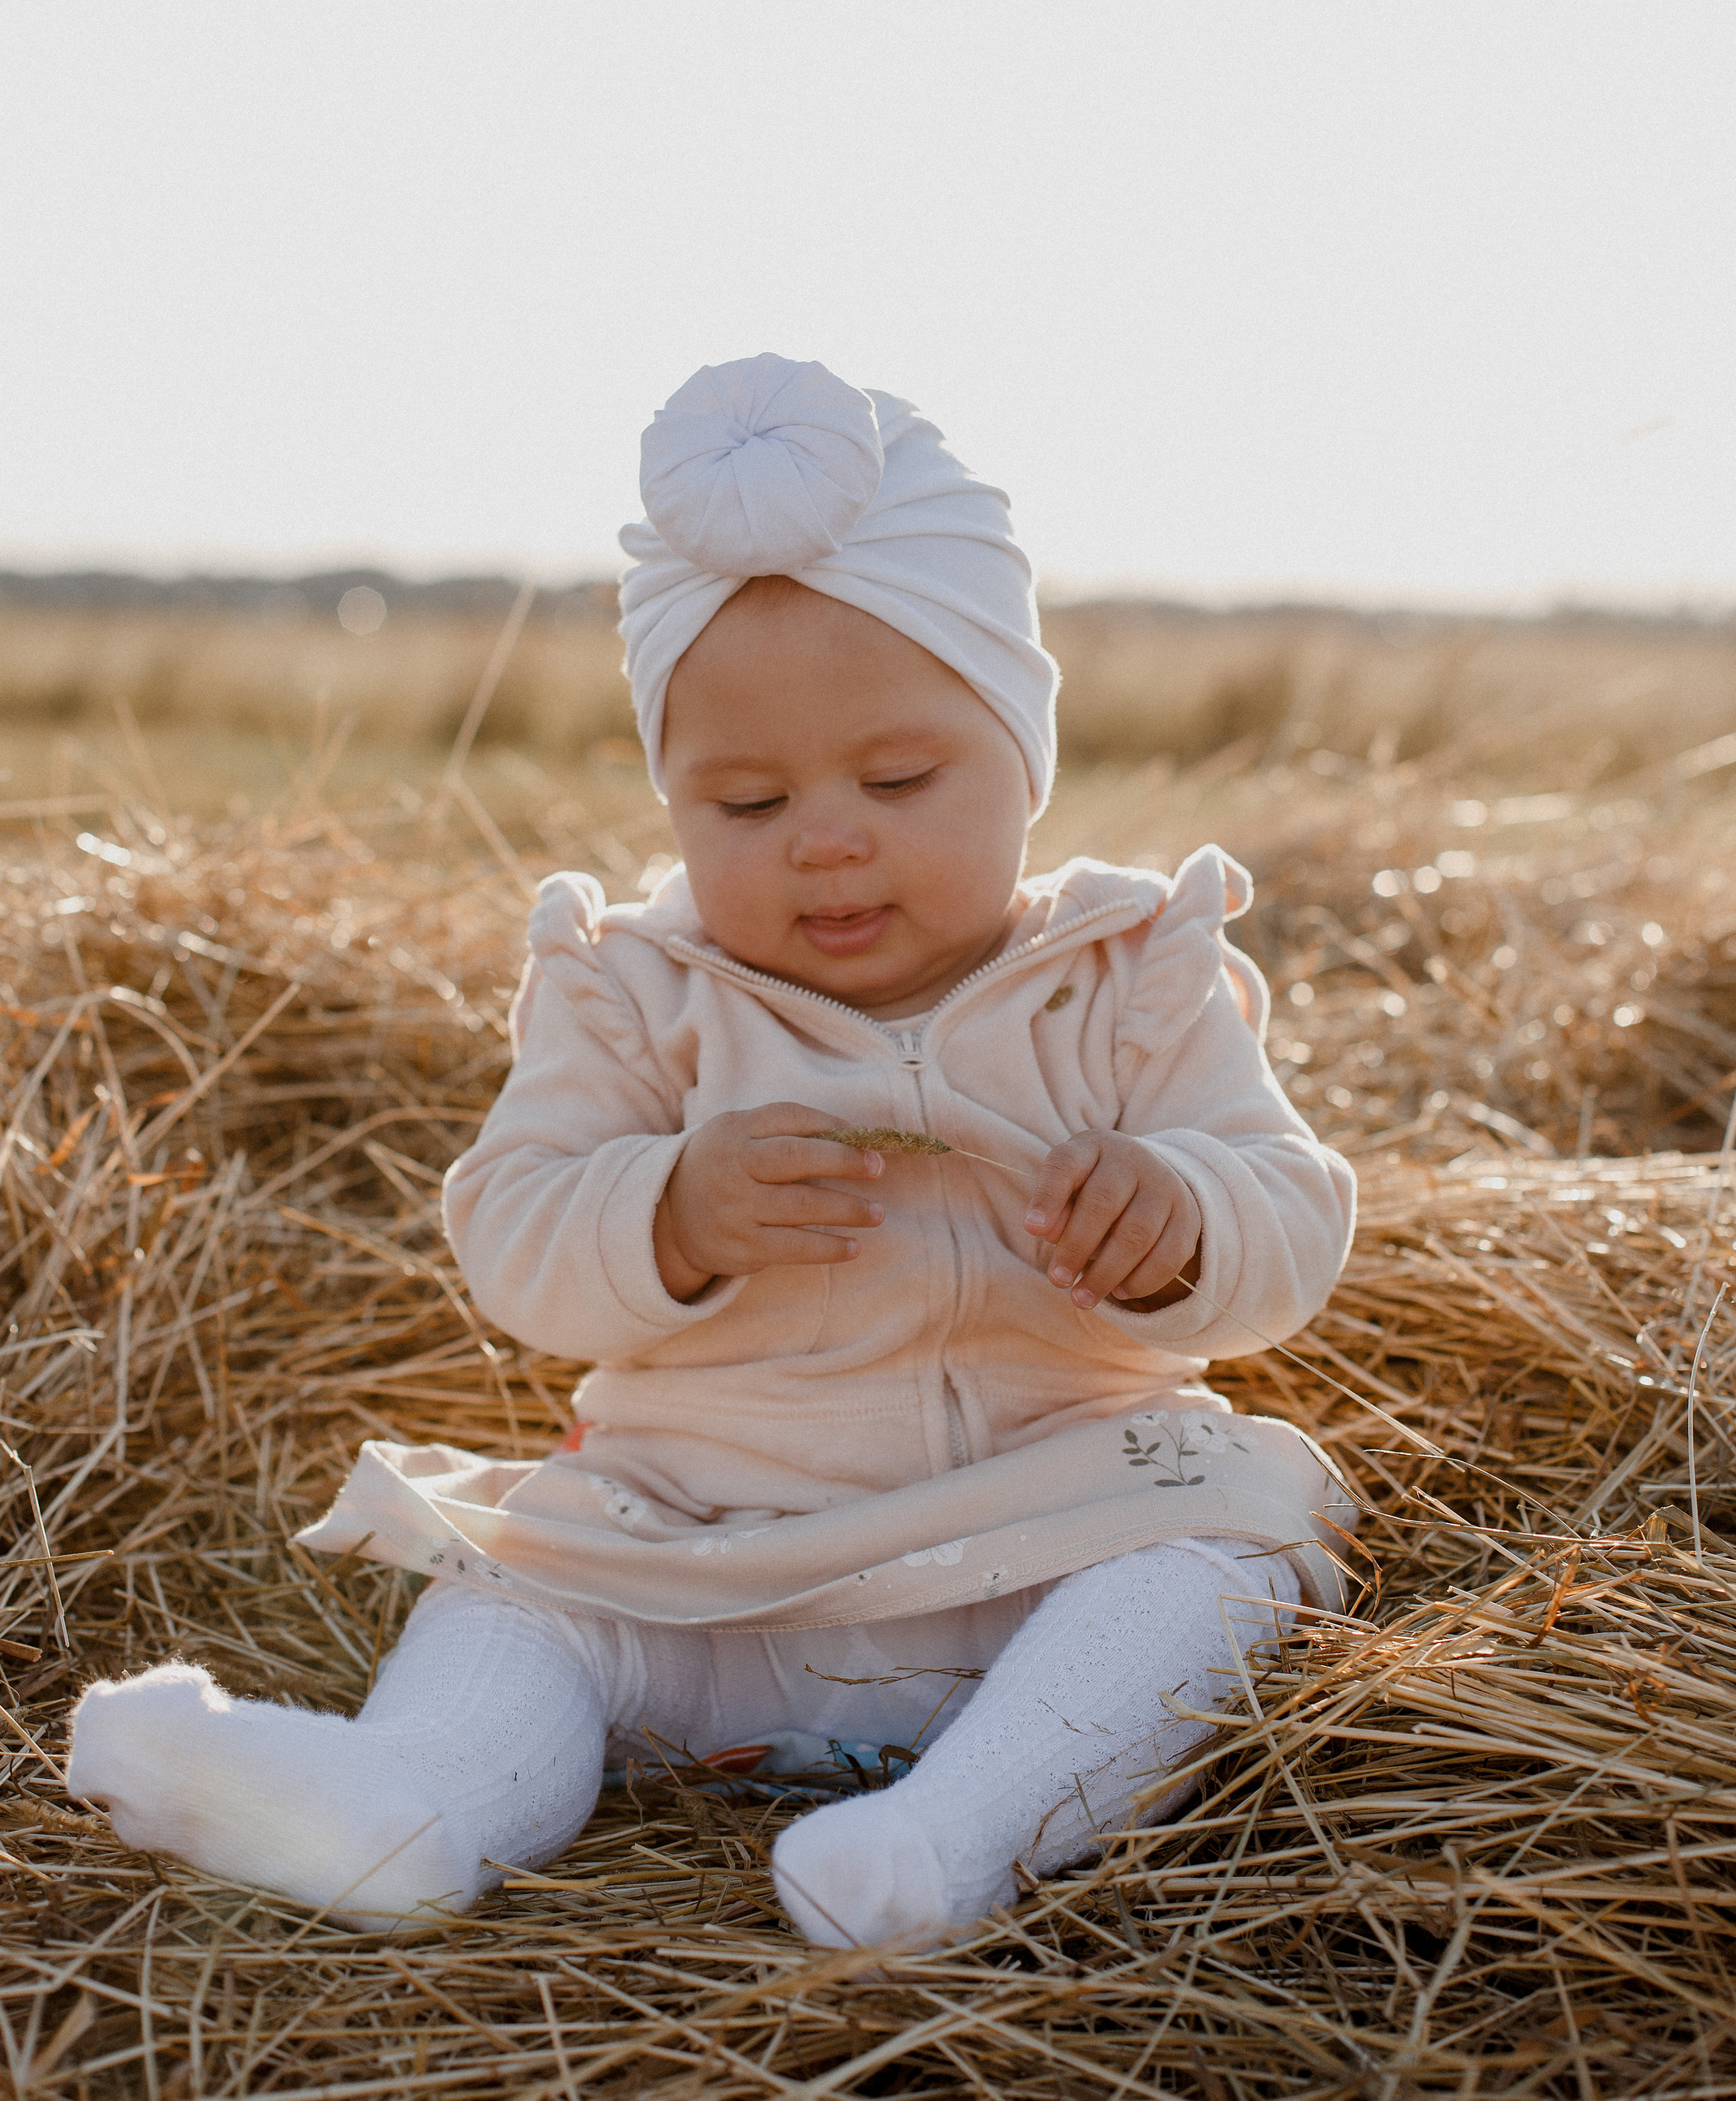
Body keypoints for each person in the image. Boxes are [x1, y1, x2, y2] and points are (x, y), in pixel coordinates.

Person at [68, 355, 1356, 1948]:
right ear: (670, 798)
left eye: (896, 780)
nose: (825, 834)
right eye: (744, 801)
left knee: (1214, 1569)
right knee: (518, 1598)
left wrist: (1183, 1220)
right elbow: (514, 1232)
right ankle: (408, 1807)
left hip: (1045, 1544)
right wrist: (668, 1210)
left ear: (1023, 752)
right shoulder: (632, 994)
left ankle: (944, 1845)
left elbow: (1290, 1204)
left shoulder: (1127, 974)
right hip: (699, 1565)